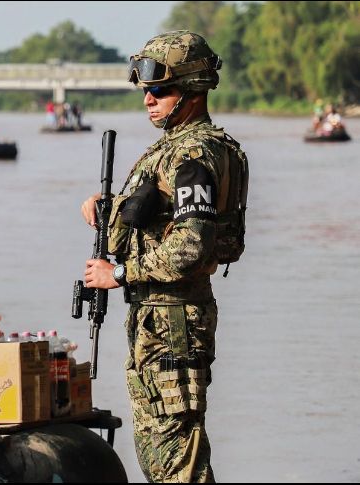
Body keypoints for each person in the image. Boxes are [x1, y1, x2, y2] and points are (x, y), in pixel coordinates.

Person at [80, 31, 248, 483]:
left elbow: (192, 245)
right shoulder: (182, 148)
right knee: (161, 454)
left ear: (193, 91)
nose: (149, 100)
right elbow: (163, 219)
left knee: (177, 460)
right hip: (160, 318)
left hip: (173, 322)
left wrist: (119, 273)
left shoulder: (193, 153)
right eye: (146, 92)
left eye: (160, 90)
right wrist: (108, 212)